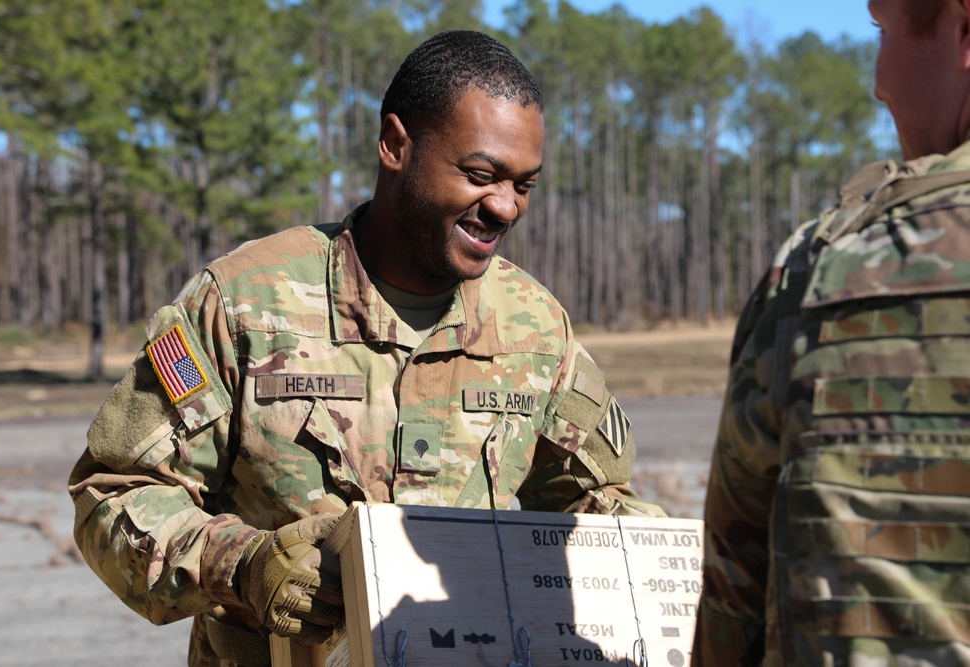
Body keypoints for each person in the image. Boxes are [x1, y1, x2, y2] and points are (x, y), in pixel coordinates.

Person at [69, 29, 664, 667]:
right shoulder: (245, 303)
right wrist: (242, 565)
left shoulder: (536, 326)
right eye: (481, 174)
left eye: (525, 185)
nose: (504, 206)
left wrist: (653, 557)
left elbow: (589, 499)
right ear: (395, 145)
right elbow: (115, 491)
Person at [692, 1, 970, 664]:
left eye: (885, 31)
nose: (879, 82)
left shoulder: (820, 271)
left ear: (964, 29)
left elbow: (735, 583)